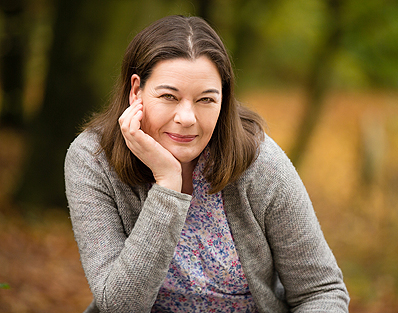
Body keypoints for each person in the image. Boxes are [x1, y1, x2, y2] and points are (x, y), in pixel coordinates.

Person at [64, 15, 349, 313]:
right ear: (137, 91)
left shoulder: (260, 163)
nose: (187, 118)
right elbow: (119, 306)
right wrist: (168, 186)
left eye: (206, 100)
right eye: (169, 96)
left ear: (223, 100)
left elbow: (320, 292)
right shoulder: (93, 160)